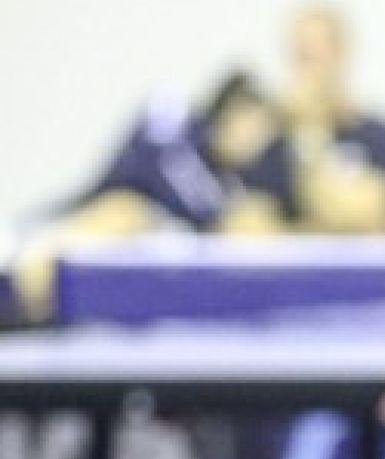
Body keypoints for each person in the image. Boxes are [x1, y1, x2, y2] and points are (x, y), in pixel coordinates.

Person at [10, 70, 292, 322]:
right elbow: (146, 175)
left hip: (144, 283)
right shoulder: (175, 130)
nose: (257, 140)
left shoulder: (236, 189)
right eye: (254, 125)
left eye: (265, 133)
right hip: (92, 226)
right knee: (124, 213)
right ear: (231, 114)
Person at [274, 4, 385, 234]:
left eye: (314, 57)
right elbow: (256, 228)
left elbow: (371, 219)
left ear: (342, 54)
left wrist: (311, 134)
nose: (308, 71)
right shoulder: (273, 140)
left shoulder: (383, 138)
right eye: (299, 57)